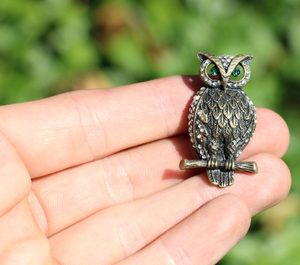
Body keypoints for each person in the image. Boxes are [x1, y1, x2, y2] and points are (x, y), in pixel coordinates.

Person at [0, 76, 290, 265]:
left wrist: (230, 158)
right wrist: (211, 157)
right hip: (209, 155)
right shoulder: (205, 98)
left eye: (234, 73)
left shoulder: (242, 102)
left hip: (228, 158)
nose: (225, 79)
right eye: (217, 72)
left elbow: (244, 129)